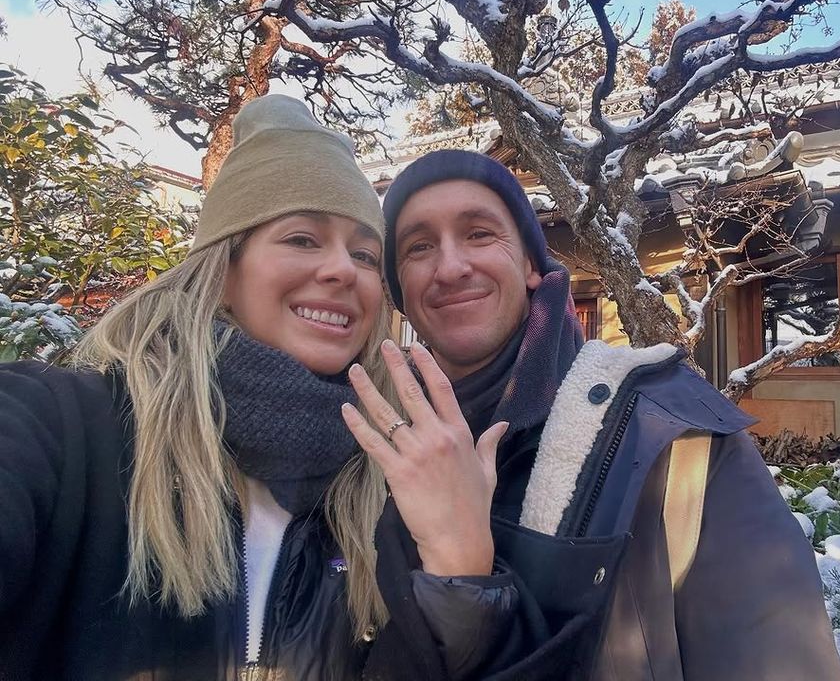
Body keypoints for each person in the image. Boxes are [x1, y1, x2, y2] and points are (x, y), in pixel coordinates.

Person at [0, 98, 518, 681]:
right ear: (223, 271)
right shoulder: (63, 428)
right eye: (302, 238)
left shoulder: (382, 488)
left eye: (365, 254)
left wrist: (461, 570)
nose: (343, 270)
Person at [377, 149, 840, 680]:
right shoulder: (372, 455)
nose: (451, 266)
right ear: (399, 293)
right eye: (418, 247)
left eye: (480, 233)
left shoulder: (671, 436)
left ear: (532, 264)